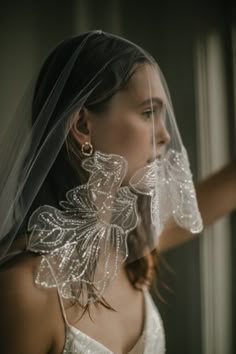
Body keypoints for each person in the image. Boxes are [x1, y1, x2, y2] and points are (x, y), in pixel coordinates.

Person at [0, 30, 235, 354]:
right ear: (83, 125)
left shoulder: (130, 244)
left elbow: (215, 196)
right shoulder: (23, 289)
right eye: (148, 112)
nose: (166, 135)